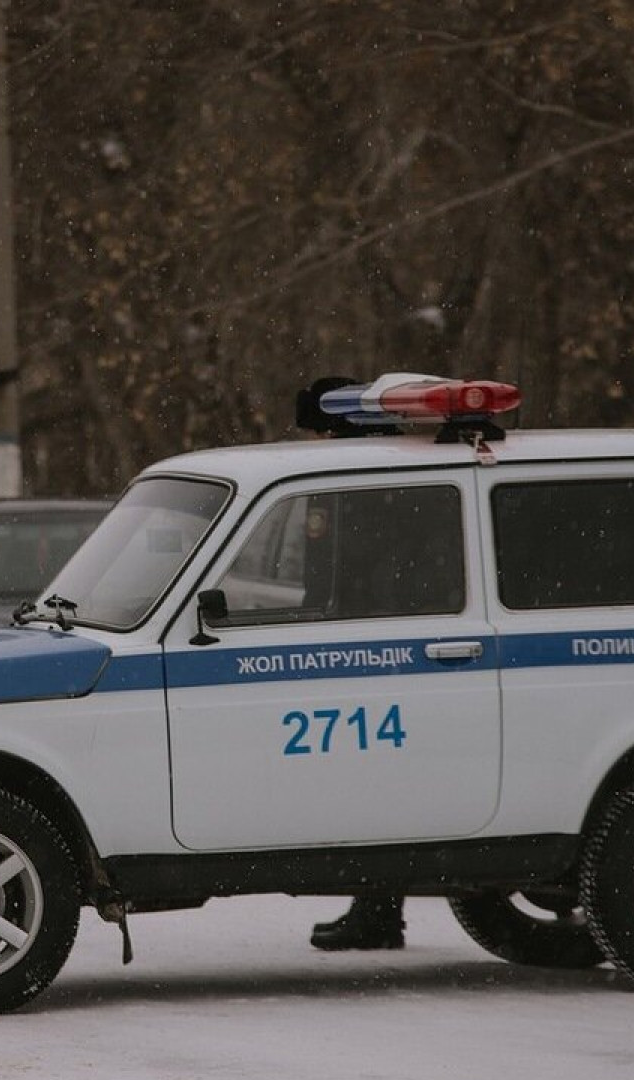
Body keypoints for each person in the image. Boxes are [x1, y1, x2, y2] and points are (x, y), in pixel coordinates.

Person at [293, 376, 409, 952]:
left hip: (378, 650)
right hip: (378, 648)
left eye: (311, 432)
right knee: (381, 789)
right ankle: (378, 910)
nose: (307, 445)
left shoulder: (361, 480)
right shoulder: (377, 475)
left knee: (380, 789)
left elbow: (353, 580)